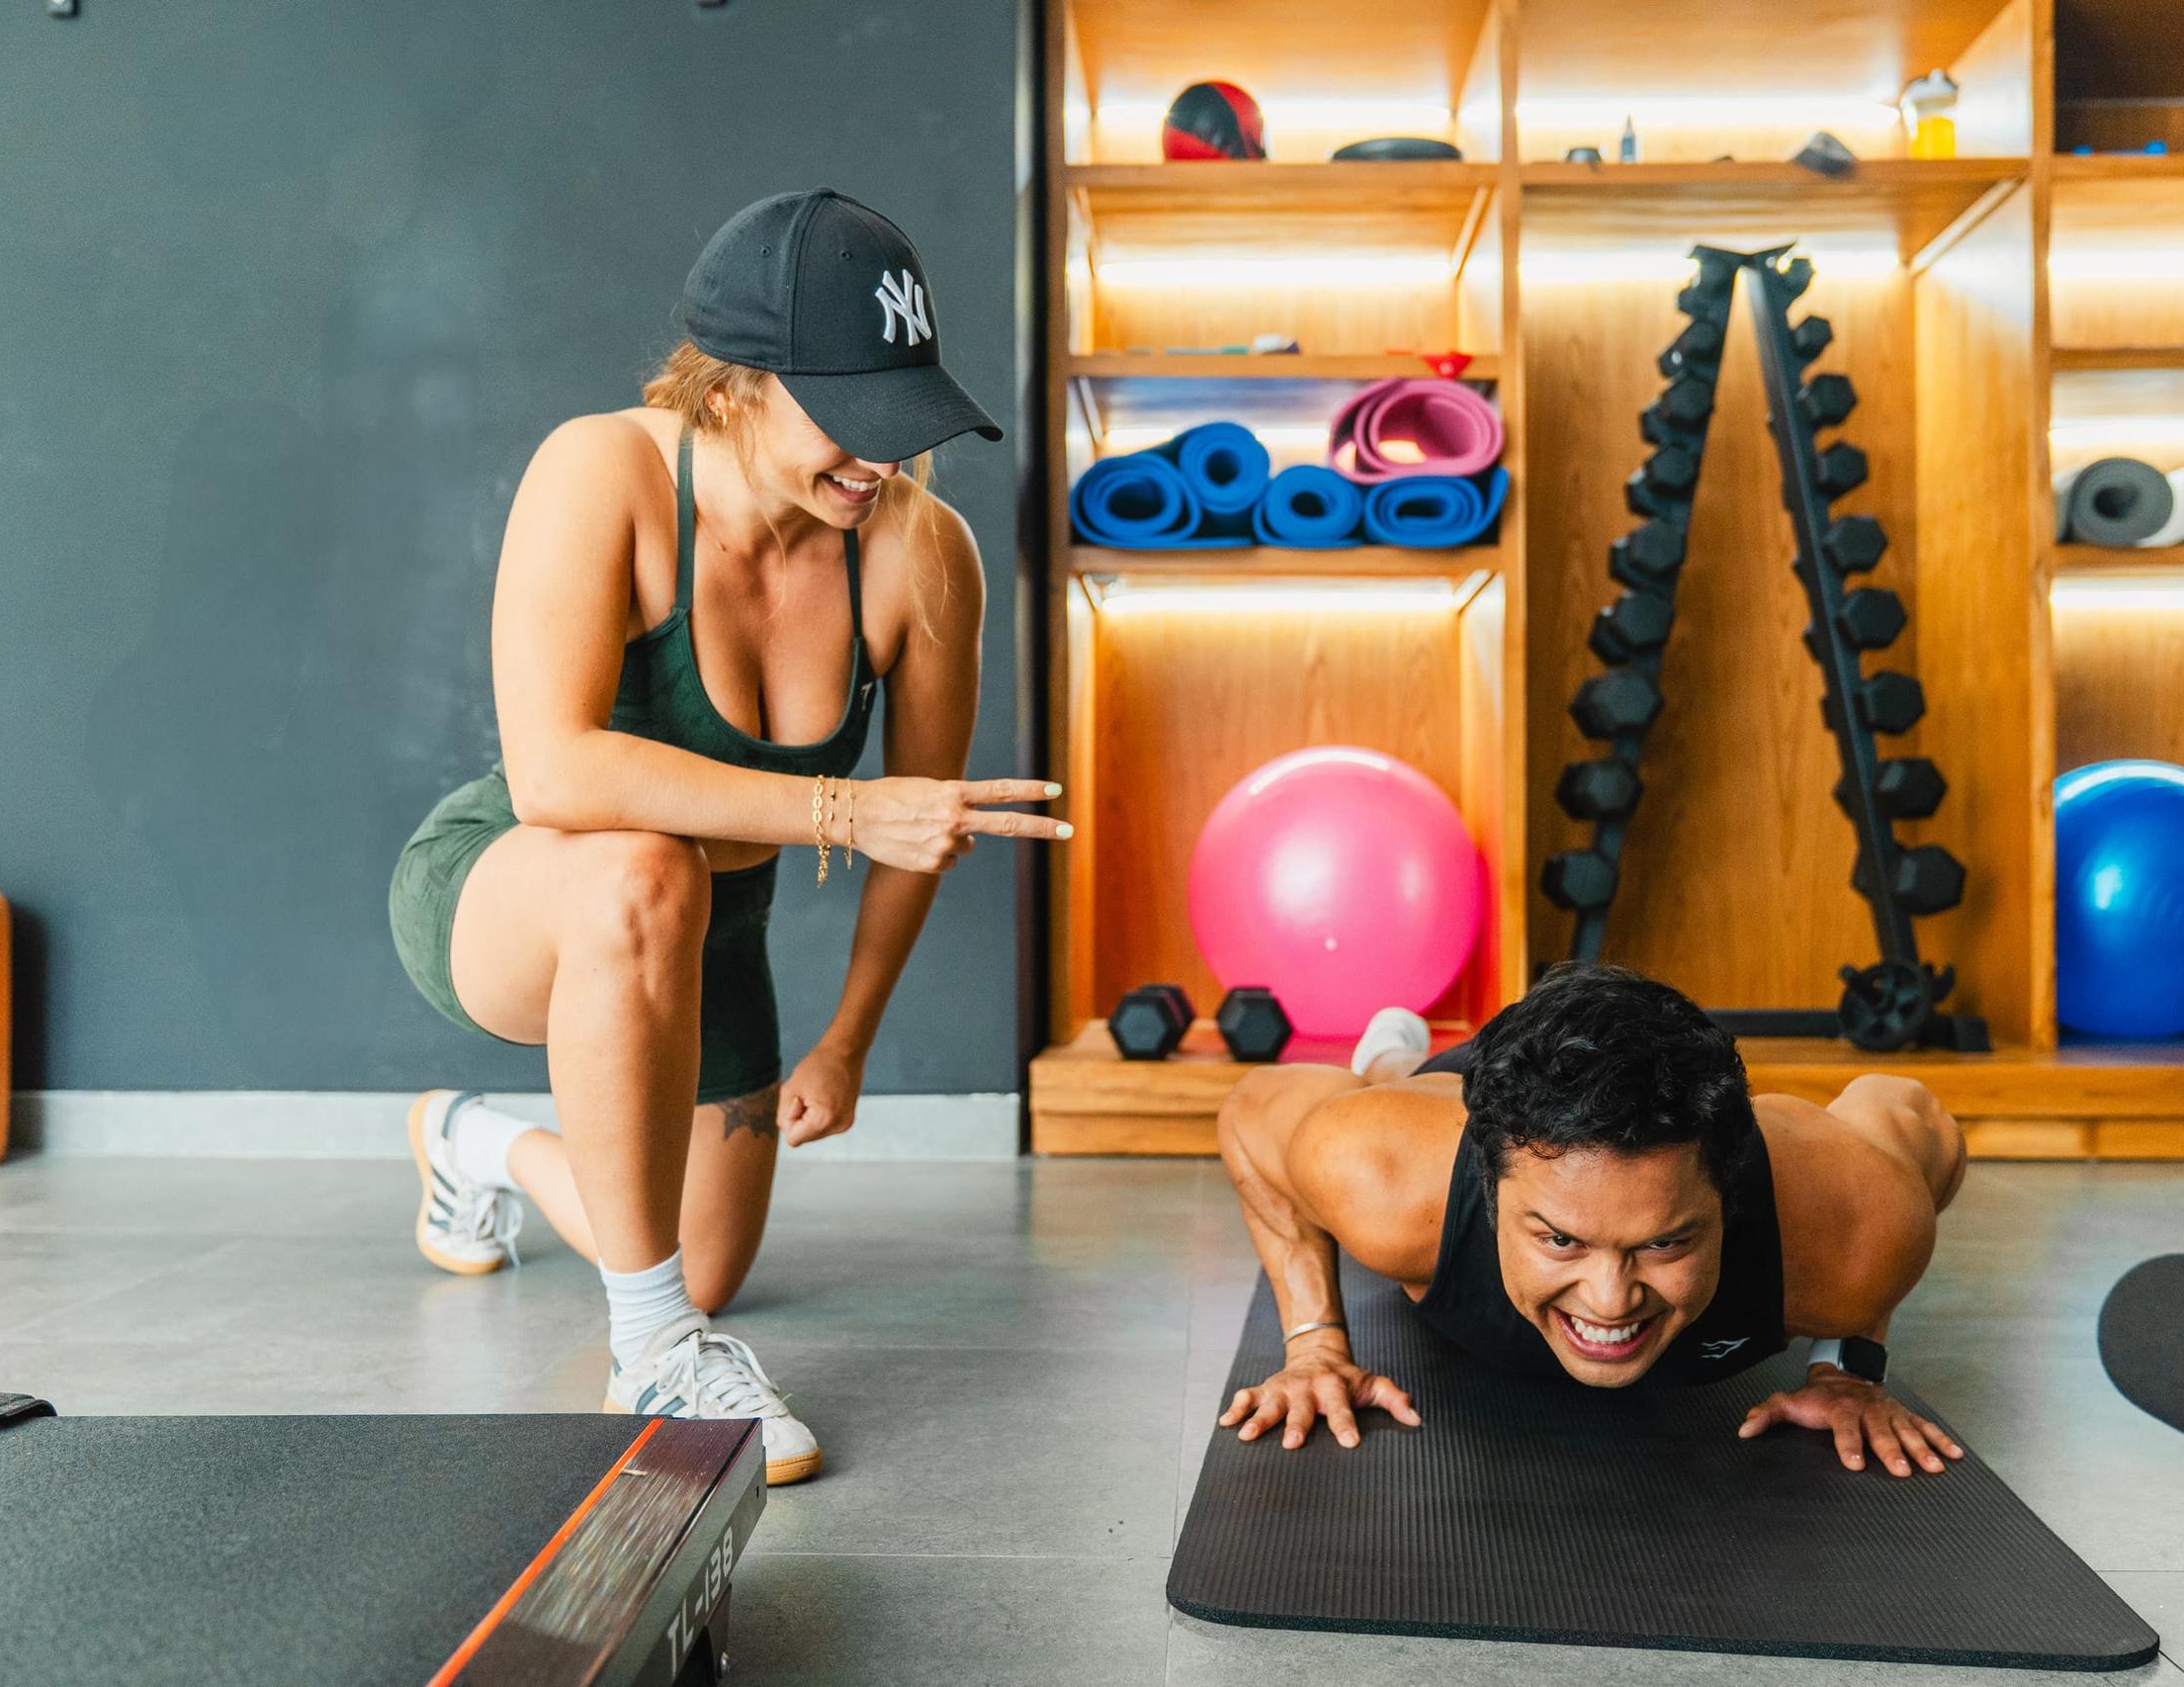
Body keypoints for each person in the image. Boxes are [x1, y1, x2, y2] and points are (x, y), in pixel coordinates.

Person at [387, 188, 1065, 1483]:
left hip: (713, 926)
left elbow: (920, 826)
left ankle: (474, 1143)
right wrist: (843, 810)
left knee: (700, 1257)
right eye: (851, 419)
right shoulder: (605, 471)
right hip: (521, 887)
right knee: (638, 870)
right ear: (730, 385)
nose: (884, 457)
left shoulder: (924, 557)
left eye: (903, 415)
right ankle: (648, 1349)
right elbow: (554, 772)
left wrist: (848, 1037)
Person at [1212, 963, 1969, 1479]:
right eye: (1559, 1240)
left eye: (1665, 1241)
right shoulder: (1383, 1174)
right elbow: (1251, 1113)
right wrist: (1315, 1343)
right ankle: (1389, 1053)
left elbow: (1913, 1113)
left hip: (1699, 1117)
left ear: (1727, 1198)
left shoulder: (1851, 1227)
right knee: (1394, 1084)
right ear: (1491, 1193)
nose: (1610, 1301)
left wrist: (1846, 1362)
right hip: (1458, 1102)